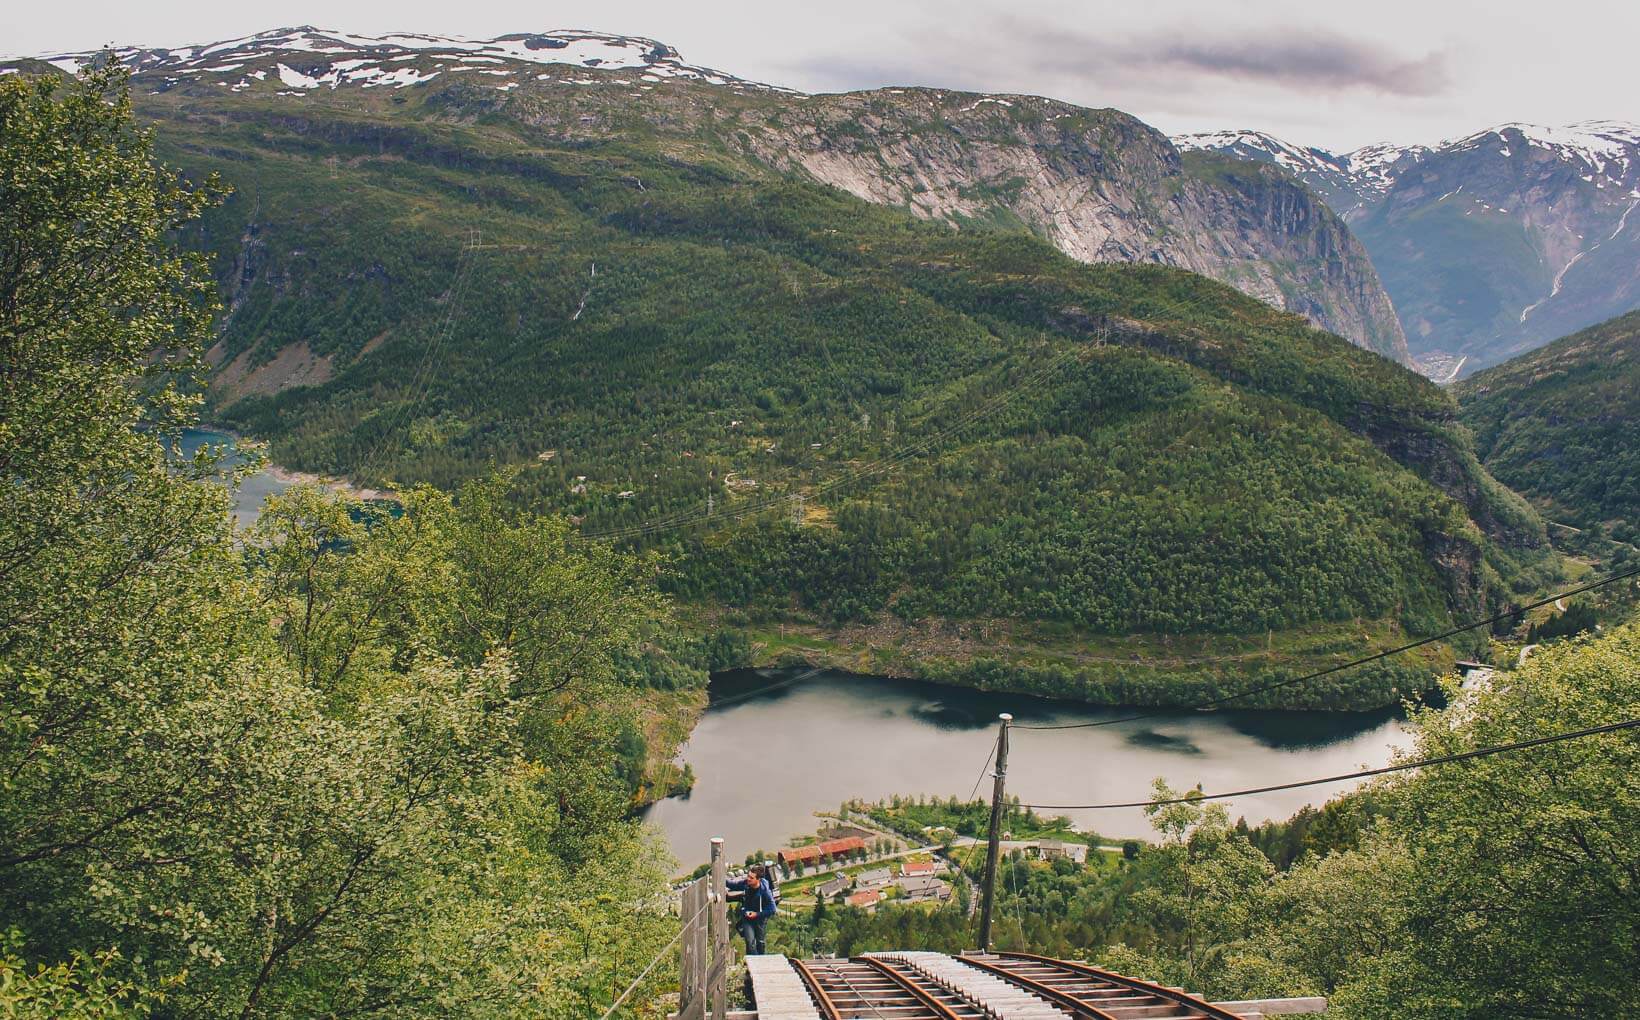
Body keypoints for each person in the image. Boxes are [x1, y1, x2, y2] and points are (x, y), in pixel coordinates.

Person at [725, 863, 777, 955]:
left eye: (751, 878)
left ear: (758, 879)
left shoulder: (765, 892)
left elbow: (772, 909)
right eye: (748, 876)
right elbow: (734, 885)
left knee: (760, 943)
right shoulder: (746, 884)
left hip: (760, 919)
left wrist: (756, 914)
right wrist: (722, 879)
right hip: (747, 918)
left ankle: (761, 961)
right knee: (750, 942)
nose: (748, 879)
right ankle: (754, 963)